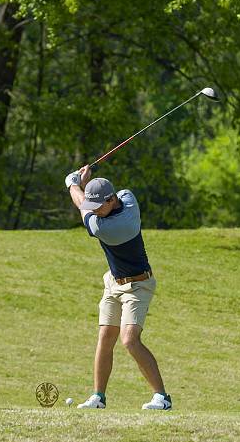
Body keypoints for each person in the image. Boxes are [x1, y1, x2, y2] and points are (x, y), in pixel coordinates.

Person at [65, 165, 171, 410]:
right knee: (105, 336)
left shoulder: (109, 227)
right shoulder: (127, 197)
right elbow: (87, 203)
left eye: (99, 207)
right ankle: (98, 397)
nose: (95, 212)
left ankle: (162, 398)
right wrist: (84, 185)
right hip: (113, 281)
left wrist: (72, 183)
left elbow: (81, 206)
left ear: (111, 200)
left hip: (138, 285)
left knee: (129, 340)